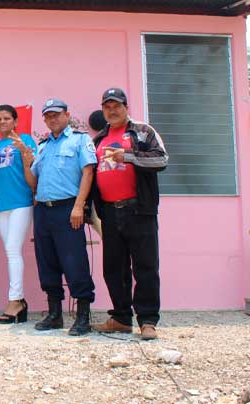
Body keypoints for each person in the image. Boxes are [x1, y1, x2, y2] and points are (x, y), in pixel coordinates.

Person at [91, 88, 168, 340]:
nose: (112, 111)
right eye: (107, 107)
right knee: (113, 268)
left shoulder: (143, 132)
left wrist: (129, 156)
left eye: (117, 106)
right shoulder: (98, 138)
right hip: (110, 212)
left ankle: (147, 321)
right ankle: (121, 318)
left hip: (139, 209)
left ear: (126, 107)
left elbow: (162, 160)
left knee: (145, 266)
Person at [30, 98, 96, 336]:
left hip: (68, 208)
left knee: (74, 261)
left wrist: (79, 206)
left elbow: (88, 173)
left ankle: (82, 317)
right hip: (43, 210)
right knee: (46, 262)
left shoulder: (80, 140)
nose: (52, 119)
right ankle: (55, 314)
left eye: (56, 114)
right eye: (48, 116)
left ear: (67, 115)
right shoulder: (43, 146)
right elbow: (33, 179)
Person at [0, 104, 37, 324]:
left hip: (21, 201)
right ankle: (20, 302)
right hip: (1, 206)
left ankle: (15, 300)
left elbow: (35, 167)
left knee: (12, 249)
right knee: (10, 250)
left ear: (16, 121)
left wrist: (25, 153)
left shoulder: (25, 140)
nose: (2, 122)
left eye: (7, 118)